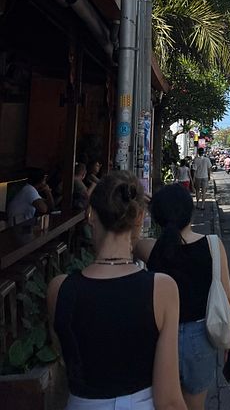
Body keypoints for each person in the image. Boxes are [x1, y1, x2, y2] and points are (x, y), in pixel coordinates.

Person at [47, 172, 186, 410]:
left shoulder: (59, 289)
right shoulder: (162, 289)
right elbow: (169, 400)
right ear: (140, 218)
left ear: (91, 216)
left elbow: (64, 356)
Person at [134, 184, 230, 410]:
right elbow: (228, 297)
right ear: (190, 212)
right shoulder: (212, 245)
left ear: (157, 218)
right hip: (200, 337)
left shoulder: (148, 248)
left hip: (161, 338)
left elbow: (125, 235)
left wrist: (145, 205)